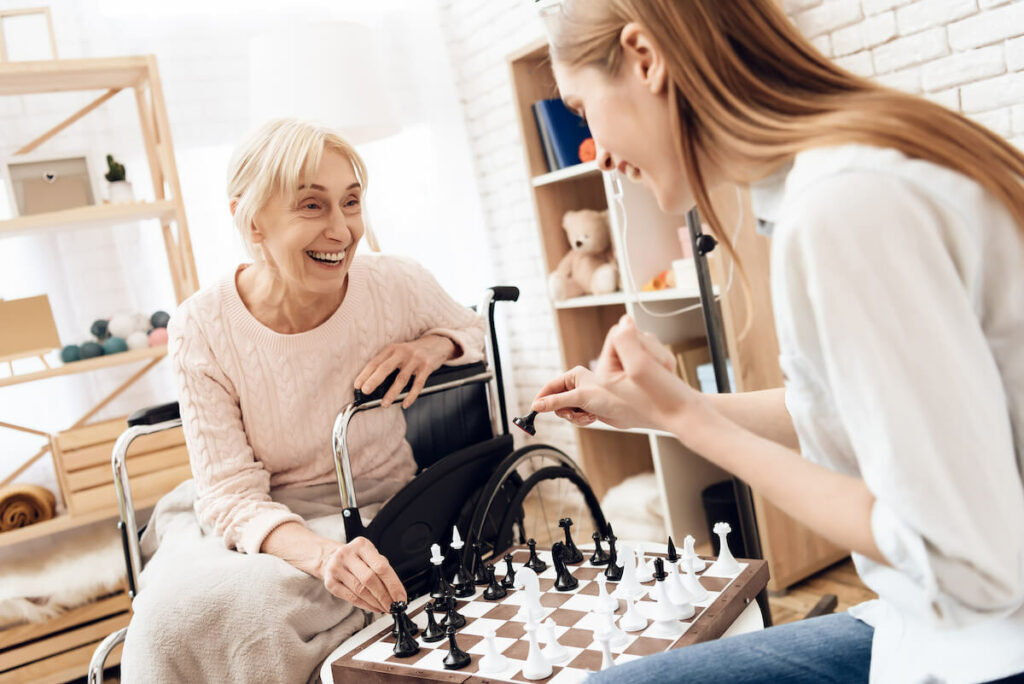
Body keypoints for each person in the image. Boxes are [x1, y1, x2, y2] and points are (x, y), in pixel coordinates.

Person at [530, 1, 1024, 682]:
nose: (600, 154)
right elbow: (841, 407)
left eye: (583, 109)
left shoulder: (842, 208)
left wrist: (691, 420)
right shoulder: (842, 171)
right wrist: (657, 409)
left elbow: (966, 561)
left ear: (645, 58)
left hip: (986, 644)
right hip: (933, 621)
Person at [119, 118, 486, 683]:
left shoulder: (395, 283)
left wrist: (433, 345)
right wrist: (320, 556)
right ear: (251, 219)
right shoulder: (203, 324)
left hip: (369, 500)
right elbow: (231, 496)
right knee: (168, 621)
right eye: (312, 207)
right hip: (256, 516)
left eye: (351, 202)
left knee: (258, 618)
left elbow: (477, 330)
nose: (342, 230)